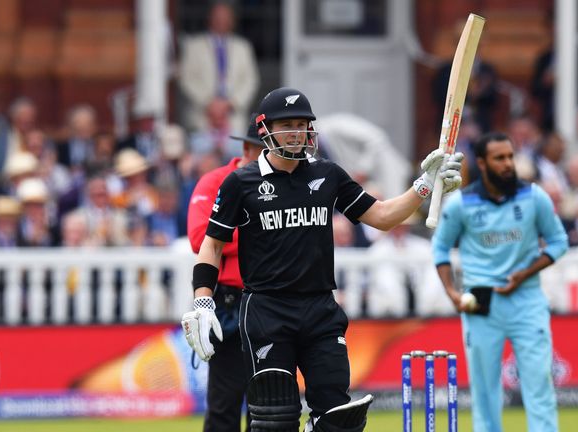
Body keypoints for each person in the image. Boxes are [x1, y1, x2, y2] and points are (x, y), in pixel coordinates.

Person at [181, 87, 464, 432]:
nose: (297, 132)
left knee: (337, 418)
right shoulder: (240, 182)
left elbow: (383, 216)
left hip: (320, 311)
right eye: (287, 125)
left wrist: (425, 185)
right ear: (264, 129)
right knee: (274, 421)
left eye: (302, 124)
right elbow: (210, 245)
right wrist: (203, 303)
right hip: (267, 312)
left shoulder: (327, 174)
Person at [431, 132, 569, 432]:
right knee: (484, 391)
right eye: (499, 158)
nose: (508, 164)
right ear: (482, 163)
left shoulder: (534, 197)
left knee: (539, 385)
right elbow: (440, 249)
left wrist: (525, 273)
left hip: (527, 299)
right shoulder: (461, 205)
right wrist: (453, 293)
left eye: (510, 156)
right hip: (481, 301)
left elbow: (559, 242)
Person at [185, 114, 266, 432]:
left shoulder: (282, 185)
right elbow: (199, 238)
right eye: (263, 150)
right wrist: (257, 233)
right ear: (247, 149)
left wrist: (233, 236)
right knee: (224, 404)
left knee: (269, 403)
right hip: (230, 302)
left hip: (268, 300)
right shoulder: (214, 181)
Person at [179, 2, 259, 134]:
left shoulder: (243, 47)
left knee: (234, 153)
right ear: (209, 19)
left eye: (225, 17)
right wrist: (210, 103)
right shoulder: (194, 46)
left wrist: (230, 104)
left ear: (232, 21)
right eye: (217, 17)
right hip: (202, 117)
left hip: (233, 118)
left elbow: (251, 80)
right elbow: (186, 78)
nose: (221, 21)